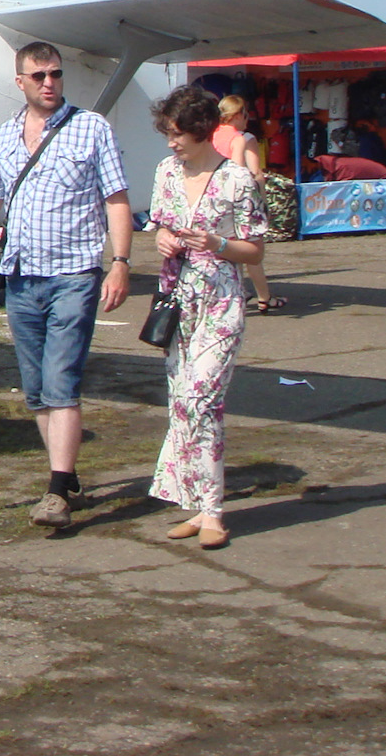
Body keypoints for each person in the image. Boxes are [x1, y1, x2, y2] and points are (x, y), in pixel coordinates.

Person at [0, 41, 133, 529]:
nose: (49, 83)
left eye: (55, 74)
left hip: (73, 275)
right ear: (20, 82)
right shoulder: (6, 135)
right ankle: (69, 477)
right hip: (20, 276)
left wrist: (120, 262)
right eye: (38, 76)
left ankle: (57, 491)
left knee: (61, 381)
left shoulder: (91, 129)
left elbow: (117, 200)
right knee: (37, 389)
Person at [148, 85, 268, 550]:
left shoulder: (236, 180)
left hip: (221, 301)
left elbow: (255, 247)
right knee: (182, 399)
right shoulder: (166, 173)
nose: (171, 142)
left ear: (201, 131)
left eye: (178, 134)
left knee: (200, 397)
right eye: (167, 133)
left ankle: (214, 512)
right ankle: (198, 504)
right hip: (179, 301)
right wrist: (162, 237)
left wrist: (217, 243)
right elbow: (160, 222)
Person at [214, 96, 284, 313]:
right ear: (236, 115)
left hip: (215, 197)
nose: (248, 119)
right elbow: (255, 173)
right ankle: (264, 297)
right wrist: (263, 200)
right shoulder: (244, 138)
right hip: (240, 199)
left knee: (223, 247)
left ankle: (233, 292)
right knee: (251, 248)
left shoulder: (209, 135)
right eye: (245, 115)